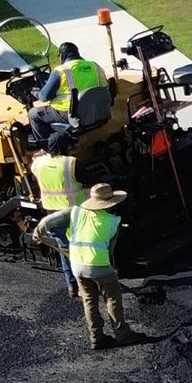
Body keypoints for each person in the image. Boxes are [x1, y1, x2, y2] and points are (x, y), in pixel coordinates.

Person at [36, 184, 132, 349]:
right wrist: (112, 270)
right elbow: (110, 251)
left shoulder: (76, 211)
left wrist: (39, 231)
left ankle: (96, 338)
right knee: (112, 298)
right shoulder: (113, 221)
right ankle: (122, 334)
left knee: (89, 301)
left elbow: (49, 220)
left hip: (77, 266)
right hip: (99, 265)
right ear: (112, 203)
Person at [27, 129, 80, 297]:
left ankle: (72, 286)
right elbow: (91, 181)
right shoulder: (71, 163)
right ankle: (85, 284)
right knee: (79, 249)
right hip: (72, 213)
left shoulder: (37, 164)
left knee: (64, 248)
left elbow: (36, 158)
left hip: (51, 213)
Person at [35, 41, 105, 108]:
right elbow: (106, 86)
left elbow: (44, 97)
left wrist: (36, 92)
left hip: (70, 111)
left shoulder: (60, 71)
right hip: (95, 107)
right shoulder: (95, 66)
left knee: (34, 114)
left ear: (62, 56)